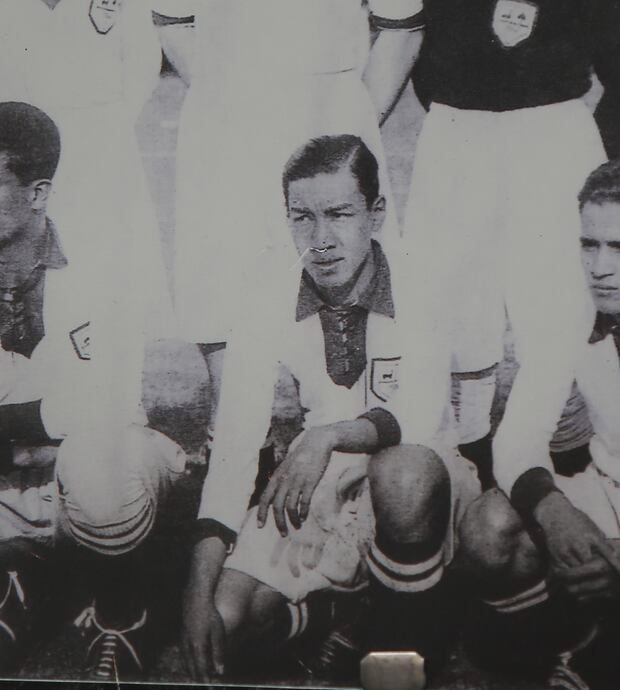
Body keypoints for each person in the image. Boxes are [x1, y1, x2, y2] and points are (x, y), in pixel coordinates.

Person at [181, 135, 480, 684]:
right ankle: (333, 611)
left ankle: (399, 652)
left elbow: (415, 416)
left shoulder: (421, 274)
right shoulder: (267, 290)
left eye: (339, 214)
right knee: (227, 622)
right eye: (303, 218)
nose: (320, 240)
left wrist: (323, 437)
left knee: (403, 476)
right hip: (323, 477)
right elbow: (235, 445)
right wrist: (197, 593)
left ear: (376, 214)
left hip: (422, 476)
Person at [168, 0, 424, 436]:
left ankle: (348, 429)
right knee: (222, 278)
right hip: (226, 117)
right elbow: (172, 21)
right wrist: (224, 94)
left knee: (340, 265)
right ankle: (235, 445)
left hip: (327, 102)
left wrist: (350, 126)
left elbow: (402, 26)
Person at [395, 0, 620, 490]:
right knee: (445, 306)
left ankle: (569, 461)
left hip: (554, 128)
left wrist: (605, 167)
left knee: (564, 306)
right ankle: (463, 462)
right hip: (455, 129)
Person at [0, 102, 186, 681]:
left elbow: (105, 405)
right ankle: (22, 580)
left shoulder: (101, 263)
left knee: (101, 467)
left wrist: (16, 430)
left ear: (38, 193)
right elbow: (69, 410)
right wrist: (45, 428)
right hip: (11, 487)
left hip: (90, 476)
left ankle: (124, 613)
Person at [457, 159, 620, 690]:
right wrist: (554, 510)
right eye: (589, 244)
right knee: (488, 528)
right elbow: (518, 438)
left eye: (619, 248)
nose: (600, 267)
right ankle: (575, 641)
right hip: (608, 497)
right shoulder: (576, 307)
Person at [0, 0, 175, 420]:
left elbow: (142, 59)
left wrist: (109, 124)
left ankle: (122, 401)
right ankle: (23, 397)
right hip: (22, 148)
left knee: (111, 275)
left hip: (101, 143)